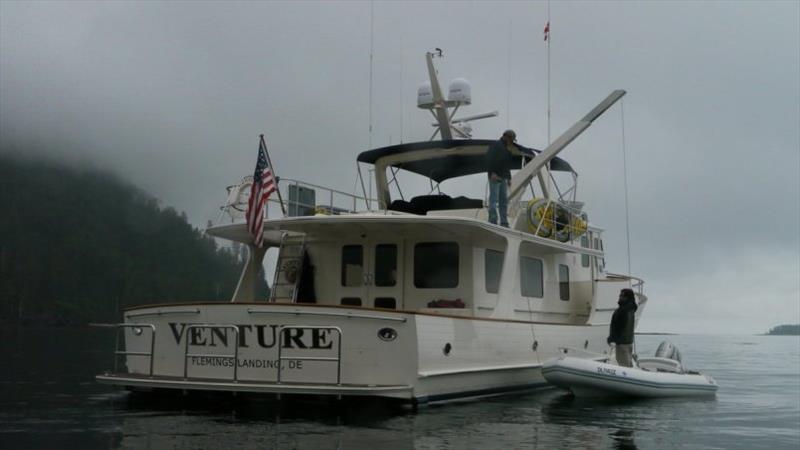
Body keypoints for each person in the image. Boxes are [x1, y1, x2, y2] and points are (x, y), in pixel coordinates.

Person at [486, 129, 518, 227]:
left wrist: (508, 178)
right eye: (511, 140)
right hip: (495, 176)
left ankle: (504, 222)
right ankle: (493, 220)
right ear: (507, 137)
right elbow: (488, 159)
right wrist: (492, 173)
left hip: (503, 177)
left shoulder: (506, 150)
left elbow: (506, 165)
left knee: (503, 201)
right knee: (494, 200)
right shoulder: (495, 145)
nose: (511, 142)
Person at [607, 288, 638, 367]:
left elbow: (620, 327)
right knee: (627, 362)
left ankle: (629, 377)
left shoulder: (624, 310)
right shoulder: (630, 309)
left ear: (627, 297)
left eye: (621, 296)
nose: (619, 297)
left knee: (623, 364)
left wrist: (613, 339)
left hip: (622, 343)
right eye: (620, 295)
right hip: (628, 342)